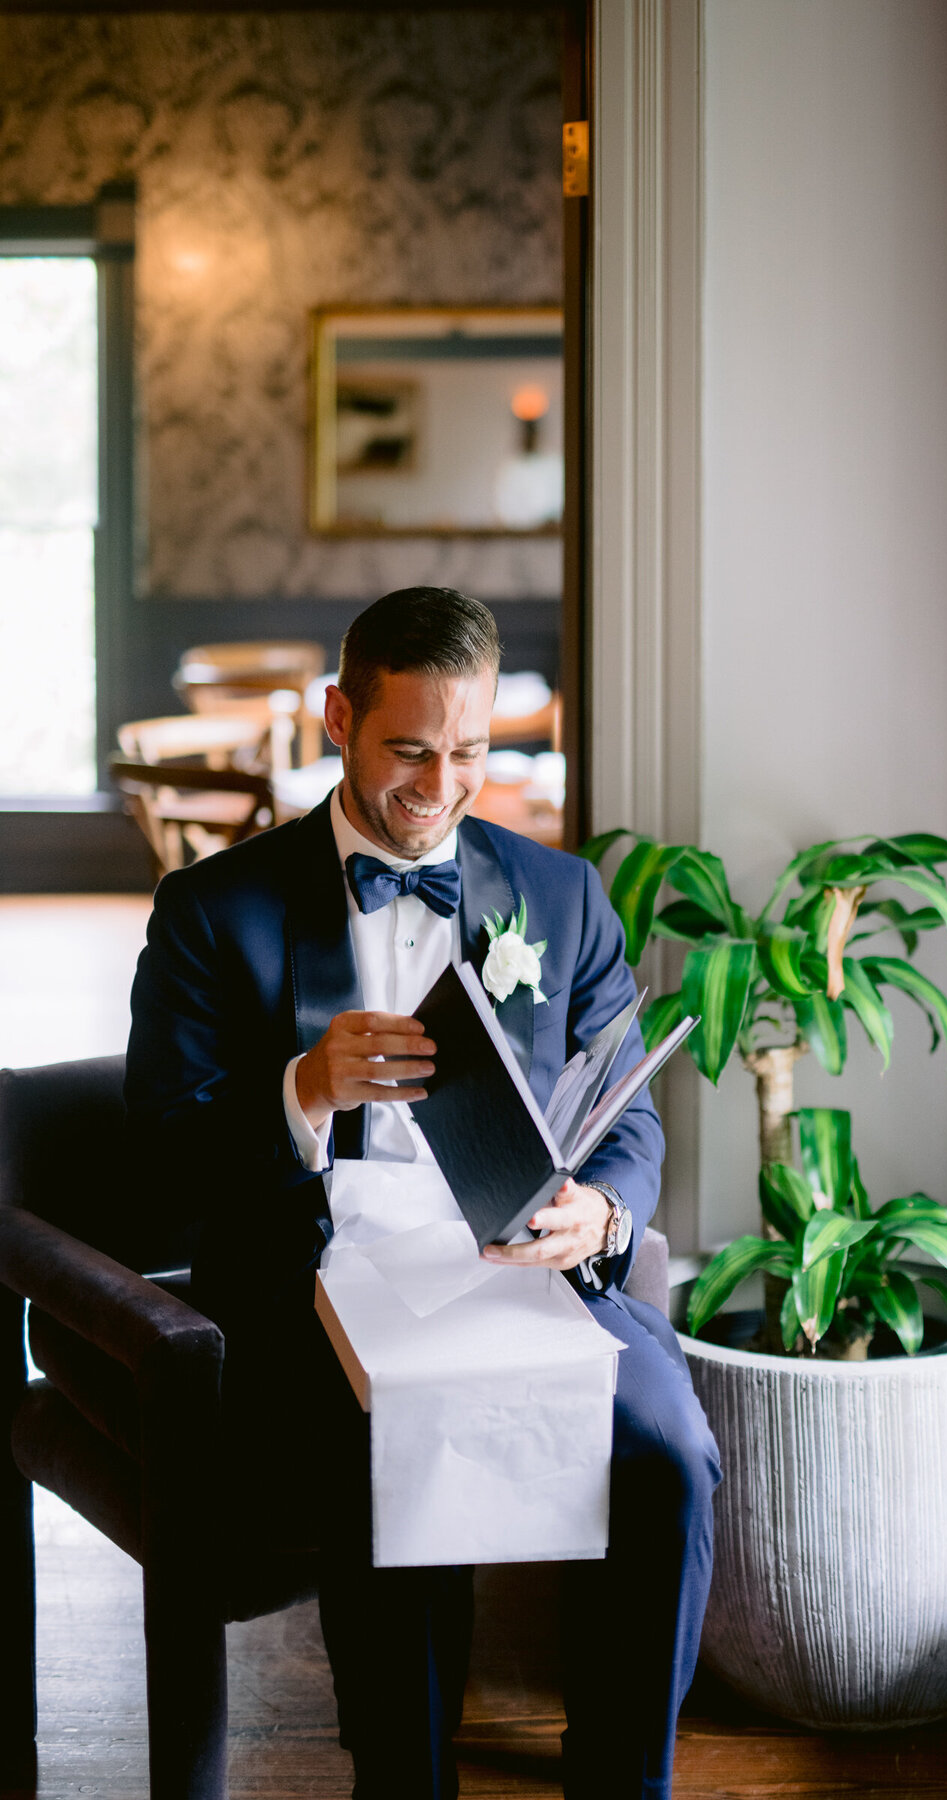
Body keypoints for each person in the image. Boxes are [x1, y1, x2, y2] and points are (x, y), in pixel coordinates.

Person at [124, 586, 720, 1800]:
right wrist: (300, 1088)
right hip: (315, 1289)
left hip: (523, 1273)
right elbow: (162, 1163)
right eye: (408, 749)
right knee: (394, 1447)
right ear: (340, 717)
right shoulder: (211, 912)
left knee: (674, 1456)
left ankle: (621, 1780)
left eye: (470, 753)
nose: (441, 786)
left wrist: (601, 1213)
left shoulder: (562, 901)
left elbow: (632, 1118)